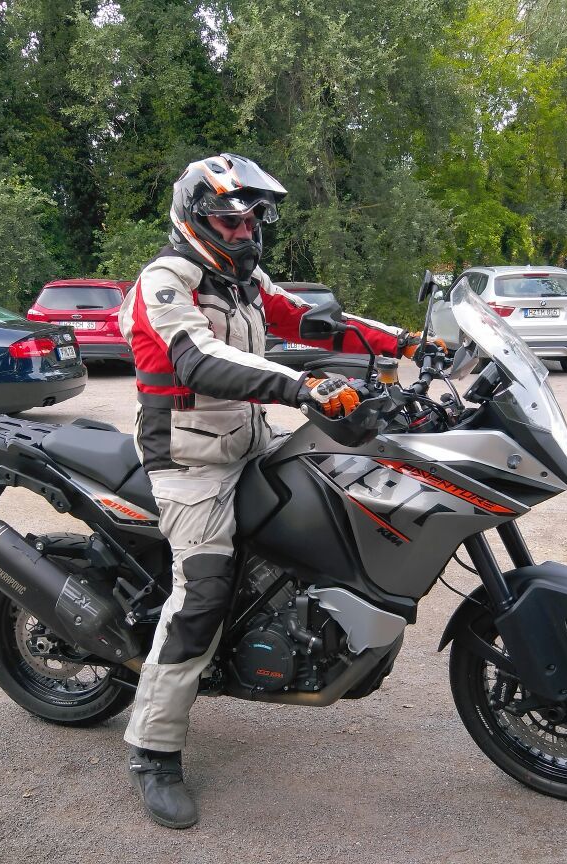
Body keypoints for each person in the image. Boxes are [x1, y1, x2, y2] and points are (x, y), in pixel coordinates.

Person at [117, 153, 441, 829]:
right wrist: (301, 385)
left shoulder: (244, 282)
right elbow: (197, 358)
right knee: (202, 594)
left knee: (346, 487)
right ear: (194, 219)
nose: (243, 232)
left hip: (250, 440)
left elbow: (313, 322)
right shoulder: (166, 281)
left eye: (251, 221)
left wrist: (408, 344)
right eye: (228, 222)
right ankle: (153, 749)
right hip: (190, 462)